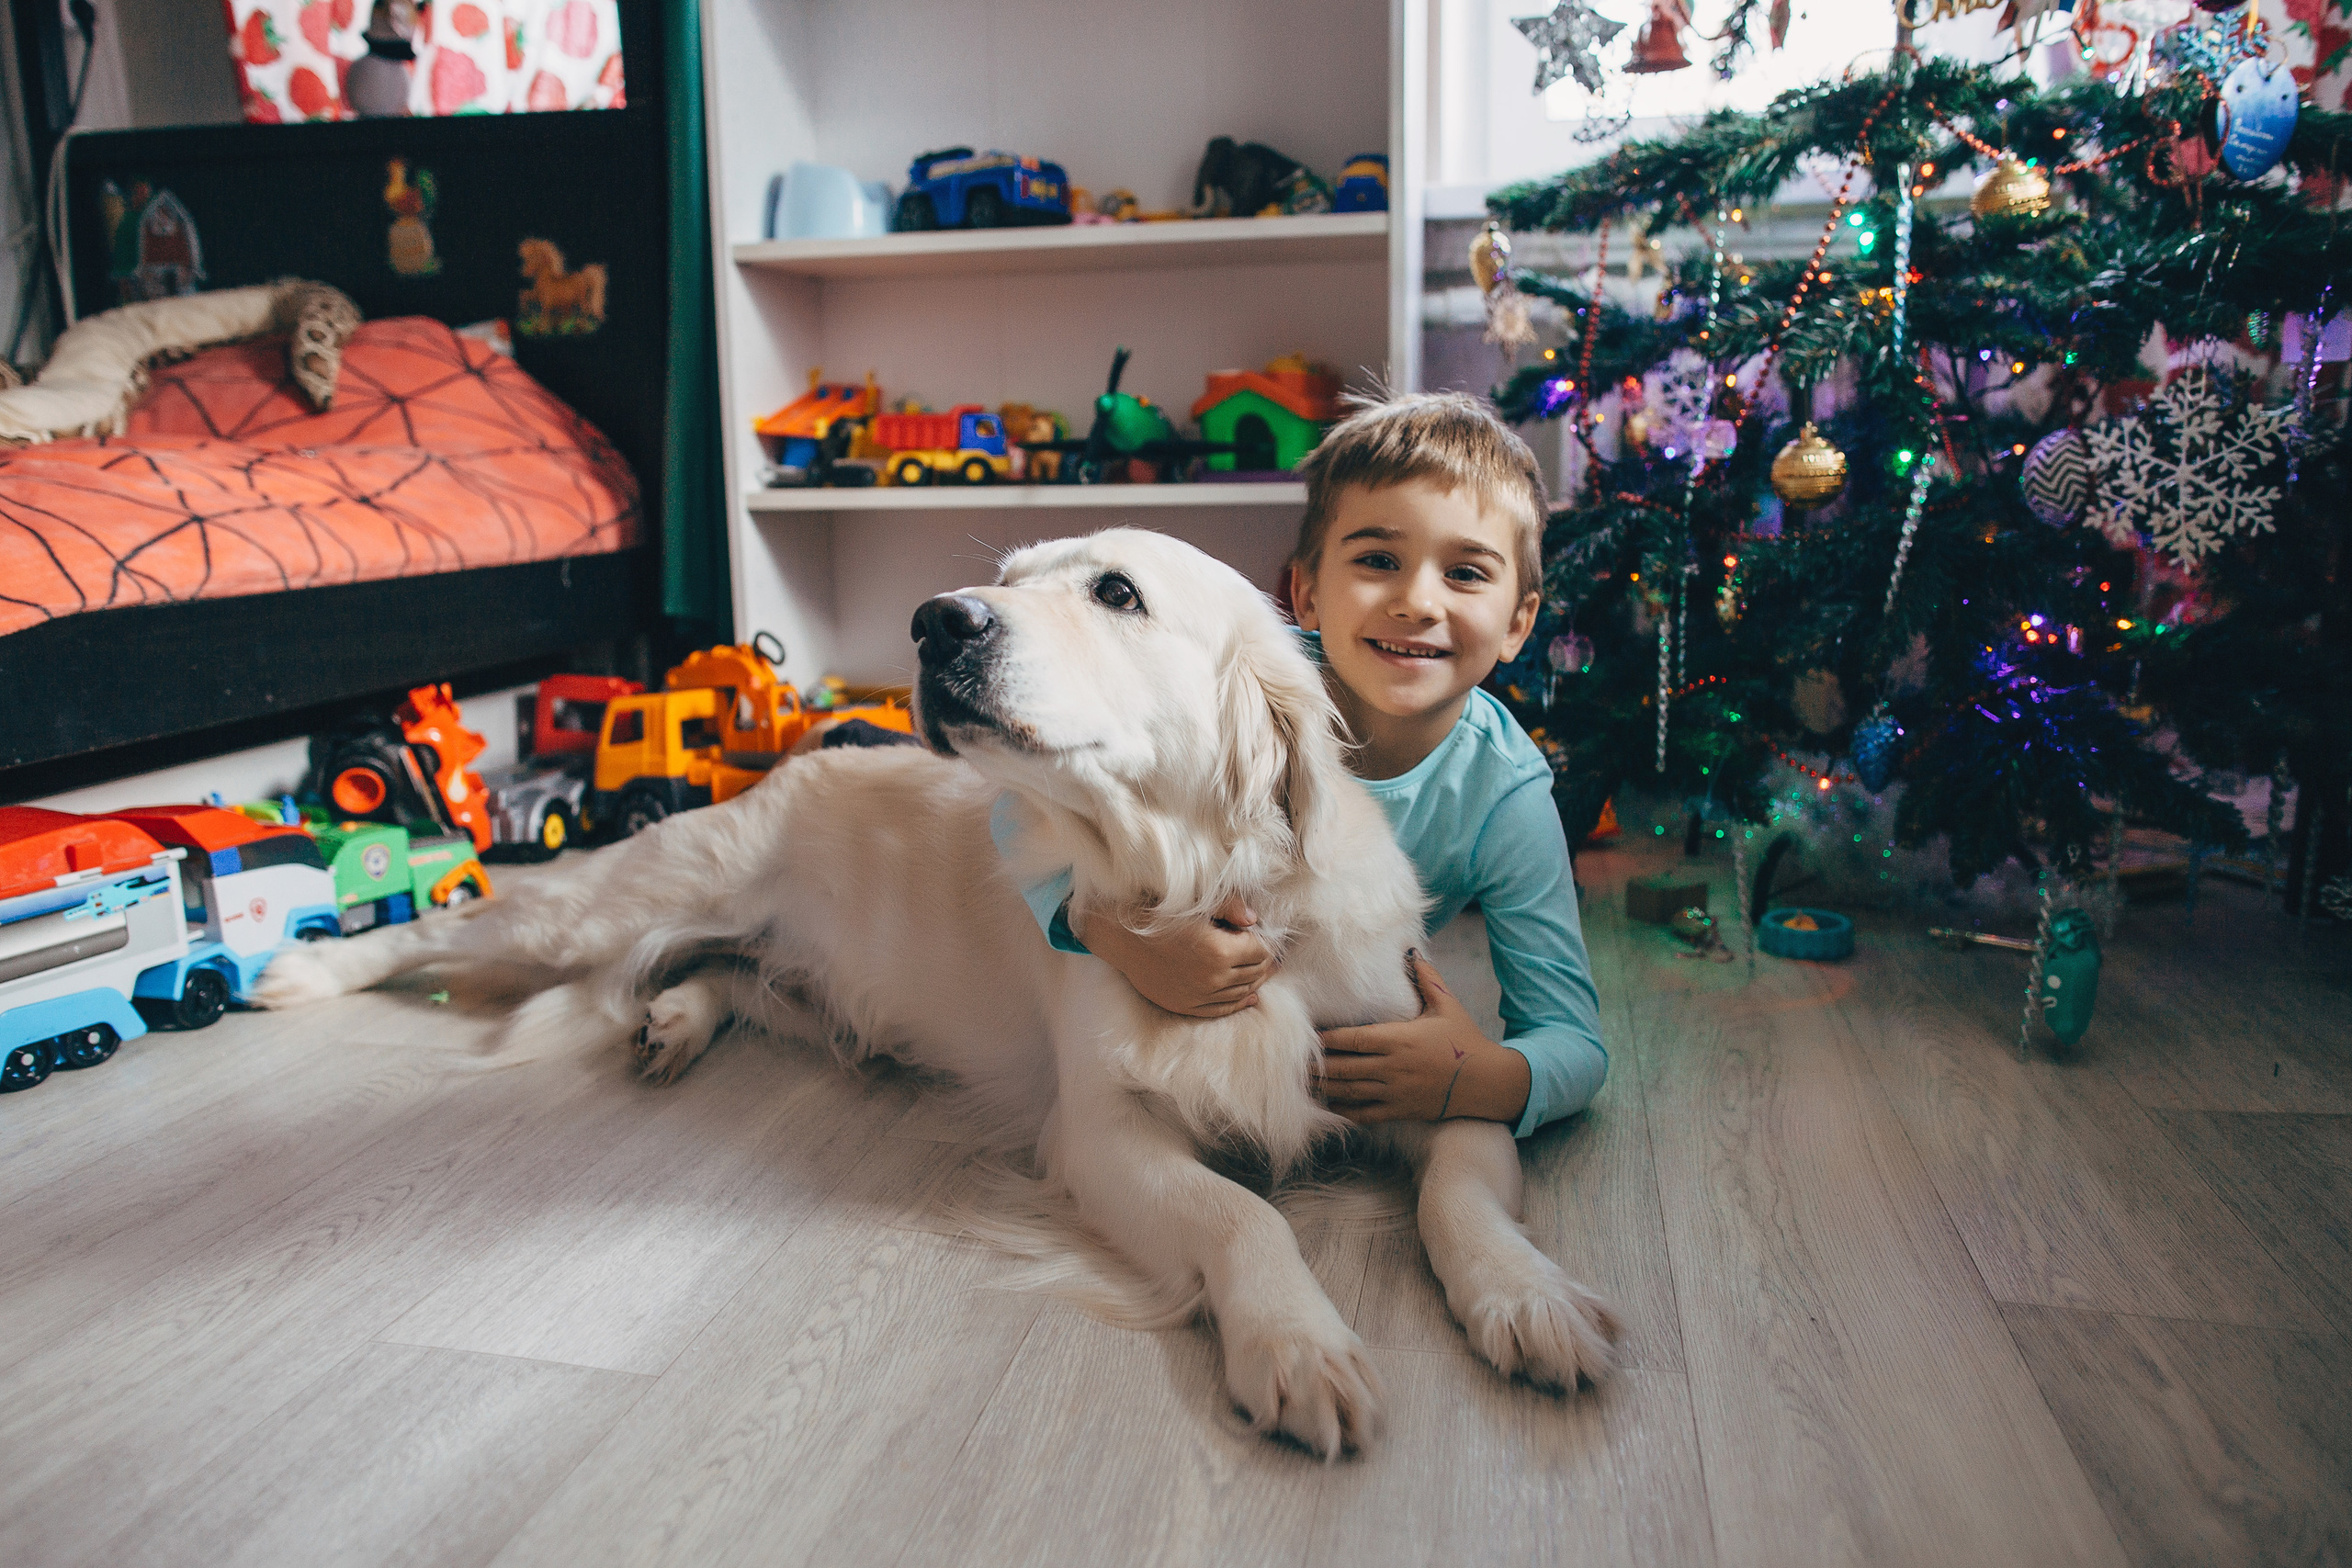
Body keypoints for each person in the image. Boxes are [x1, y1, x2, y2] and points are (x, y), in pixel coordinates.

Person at [990, 392, 1606, 1135]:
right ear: (1306, 593)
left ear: (1517, 623)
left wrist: (1477, 1079)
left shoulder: (1506, 793)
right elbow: (1009, 803)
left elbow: (1572, 1039)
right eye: (1379, 560)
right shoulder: (1244, 688)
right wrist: (1114, 931)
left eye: (1466, 574)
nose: (1417, 601)